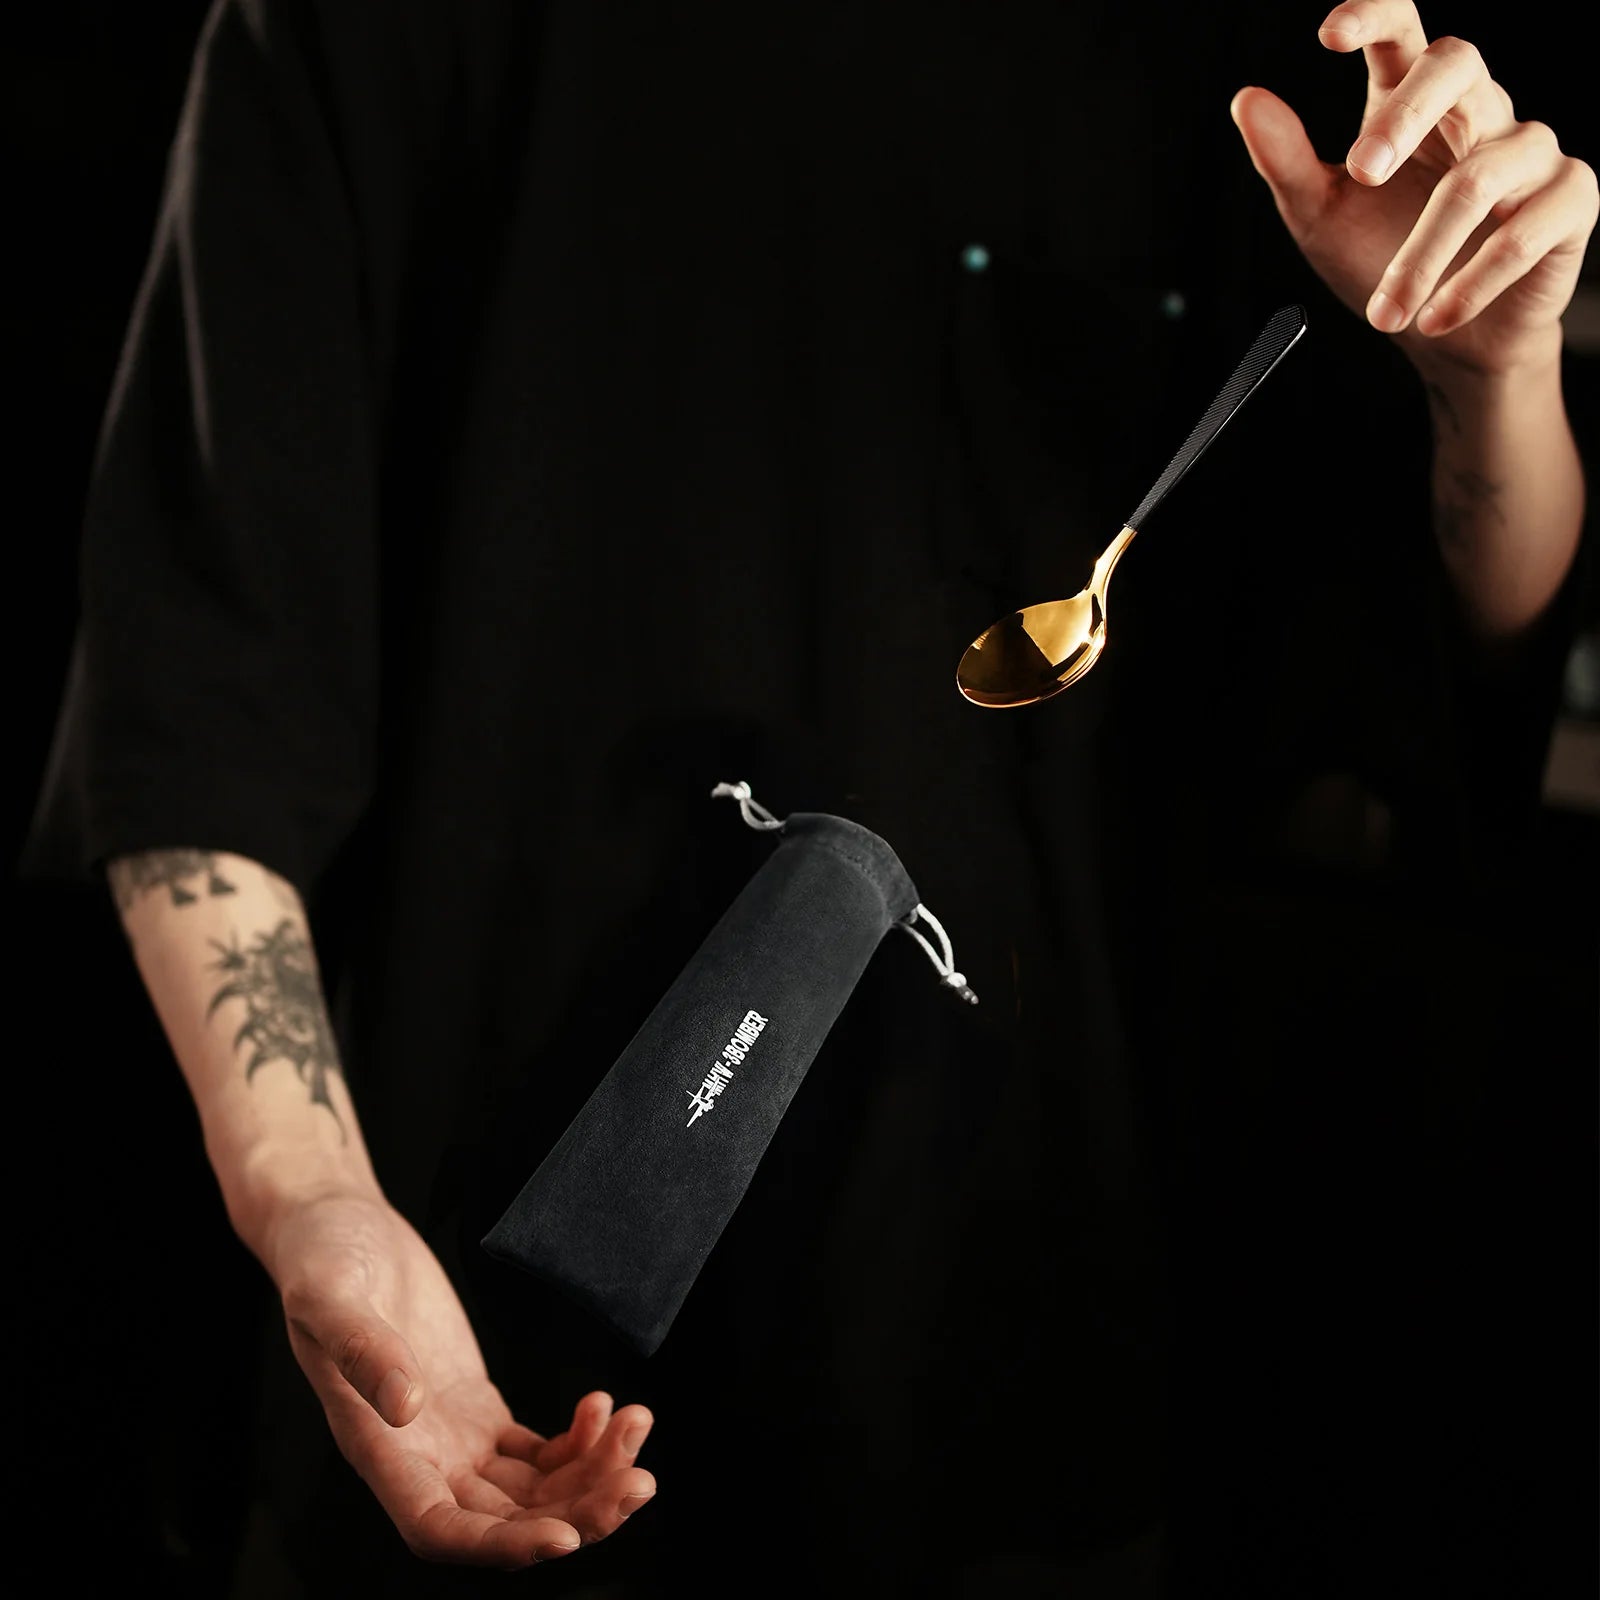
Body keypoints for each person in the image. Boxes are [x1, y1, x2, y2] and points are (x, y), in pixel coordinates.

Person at [18, 1, 1594, 1594]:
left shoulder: (1241, 67)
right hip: (450, 1378)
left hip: (1014, 1392)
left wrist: (1494, 378)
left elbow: (1426, 674)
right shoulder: (359, 36)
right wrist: (308, 1196)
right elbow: (201, 702)